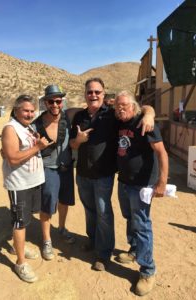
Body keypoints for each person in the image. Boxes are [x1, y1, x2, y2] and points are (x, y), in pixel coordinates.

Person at [69, 77, 155, 272]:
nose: (93, 95)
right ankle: (93, 240)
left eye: (97, 92)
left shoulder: (112, 115)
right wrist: (79, 140)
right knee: (89, 211)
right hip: (82, 174)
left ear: (103, 93)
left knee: (104, 213)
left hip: (103, 176)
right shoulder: (78, 117)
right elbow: (72, 145)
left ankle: (104, 253)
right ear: (85, 94)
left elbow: (140, 108)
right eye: (90, 92)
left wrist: (149, 115)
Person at [115, 90, 168, 296]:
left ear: (134, 106)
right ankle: (134, 249)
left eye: (125, 105)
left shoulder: (144, 122)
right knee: (129, 217)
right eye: (118, 106)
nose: (121, 109)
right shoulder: (120, 122)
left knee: (142, 224)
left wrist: (162, 181)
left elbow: (162, 153)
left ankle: (148, 270)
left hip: (142, 184)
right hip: (124, 181)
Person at [1, 95, 52, 283]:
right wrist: (38, 146)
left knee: (27, 217)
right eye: (26, 110)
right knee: (19, 222)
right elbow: (13, 158)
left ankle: (17, 246)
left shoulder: (27, 127)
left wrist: (36, 143)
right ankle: (20, 262)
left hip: (33, 181)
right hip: (19, 183)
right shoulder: (10, 128)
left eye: (32, 111)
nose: (30, 114)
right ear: (16, 110)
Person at [32, 85, 76, 261]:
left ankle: (62, 228)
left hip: (66, 167)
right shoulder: (36, 124)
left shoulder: (69, 119)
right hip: (48, 168)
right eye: (51, 101)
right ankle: (47, 240)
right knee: (48, 203)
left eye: (58, 101)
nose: (55, 104)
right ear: (45, 103)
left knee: (64, 201)